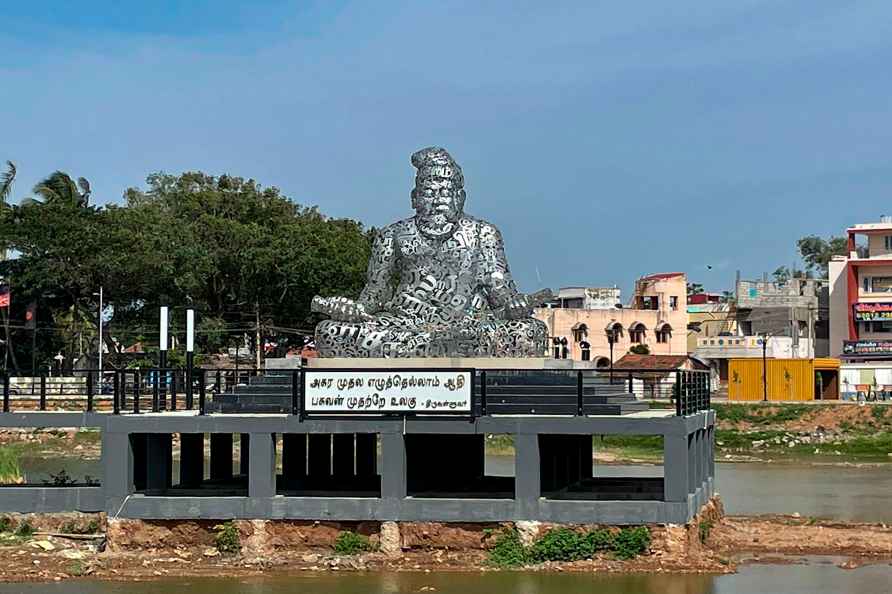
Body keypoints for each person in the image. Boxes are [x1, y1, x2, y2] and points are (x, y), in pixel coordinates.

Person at [312, 147, 549, 358]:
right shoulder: (393, 234)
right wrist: (353, 310)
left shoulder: (483, 233)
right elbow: (376, 292)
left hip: (469, 324)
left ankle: (437, 347)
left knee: (528, 332)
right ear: (414, 198)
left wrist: (515, 305)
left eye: (445, 192)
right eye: (429, 192)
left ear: (461, 198)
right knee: (331, 331)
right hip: (404, 323)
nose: (437, 201)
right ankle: (438, 347)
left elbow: (501, 290)